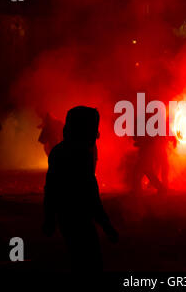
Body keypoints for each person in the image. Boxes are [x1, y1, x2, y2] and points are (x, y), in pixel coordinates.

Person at [42, 106, 118, 272]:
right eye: (92, 128)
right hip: (79, 218)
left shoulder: (59, 151)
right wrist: (107, 226)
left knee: (78, 260)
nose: (96, 134)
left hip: (66, 217)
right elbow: (91, 195)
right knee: (90, 263)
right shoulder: (80, 155)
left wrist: (49, 217)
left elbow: (50, 188)